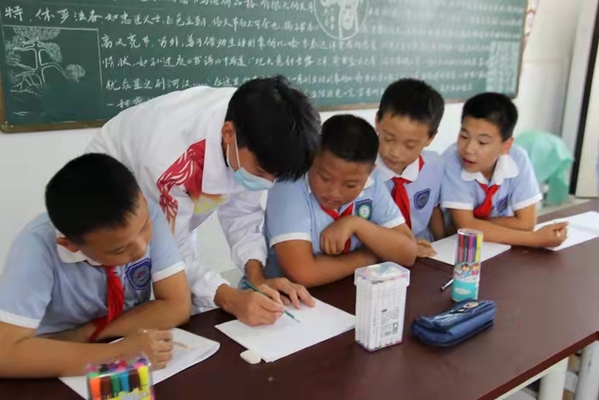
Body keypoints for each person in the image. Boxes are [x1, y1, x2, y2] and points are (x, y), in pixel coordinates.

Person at [87, 76, 320, 325]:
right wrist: (229, 298)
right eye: (262, 172)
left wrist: (257, 277)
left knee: (187, 297)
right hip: (111, 183)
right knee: (121, 297)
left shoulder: (257, 130)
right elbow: (171, 246)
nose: (268, 183)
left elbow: (242, 210)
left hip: (178, 191)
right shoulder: (171, 162)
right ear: (228, 134)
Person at [0, 154, 191, 378]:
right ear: (70, 245)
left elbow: (177, 305)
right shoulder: (37, 245)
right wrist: (118, 354)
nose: (141, 249)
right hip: (56, 363)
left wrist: (89, 333)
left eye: (145, 228)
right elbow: (5, 353)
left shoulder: (148, 214)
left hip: (98, 342)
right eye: (119, 250)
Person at [254, 115, 417, 288]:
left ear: (370, 172)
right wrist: (369, 256)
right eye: (325, 178)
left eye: (350, 185)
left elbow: (408, 253)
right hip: (277, 297)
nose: (334, 193)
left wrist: (356, 224)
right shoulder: (289, 183)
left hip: (344, 290)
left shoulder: (372, 180)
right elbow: (303, 274)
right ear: (312, 158)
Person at [440, 93, 568, 247]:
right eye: (464, 136)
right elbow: (466, 227)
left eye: (482, 142)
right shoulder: (452, 160)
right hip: (456, 248)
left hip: (496, 247)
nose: (468, 149)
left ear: (506, 146)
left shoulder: (518, 158)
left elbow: (527, 223)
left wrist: (477, 225)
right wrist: (535, 239)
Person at [374, 78, 446, 258]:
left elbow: (433, 210)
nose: (395, 152)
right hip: (376, 255)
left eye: (410, 145)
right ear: (377, 121)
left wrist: (445, 247)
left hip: (423, 253)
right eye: (389, 138)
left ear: (430, 138)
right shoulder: (359, 171)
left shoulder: (435, 165)